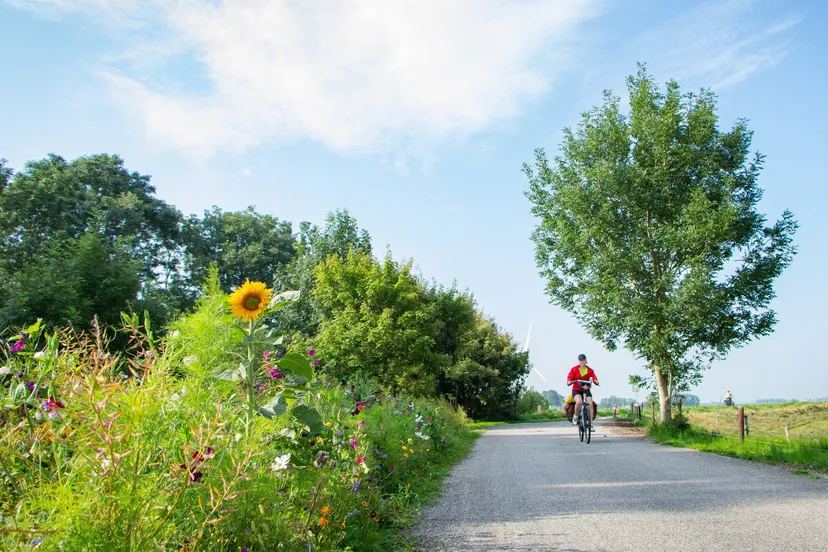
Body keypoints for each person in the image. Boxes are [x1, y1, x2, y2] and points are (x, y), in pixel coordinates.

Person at [566, 354, 599, 426]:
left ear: (586, 360)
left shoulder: (590, 370)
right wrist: (569, 382)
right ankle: (576, 416)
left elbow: (594, 377)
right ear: (578, 361)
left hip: (586, 390)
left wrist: (596, 381)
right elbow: (569, 378)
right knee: (579, 402)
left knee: (590, 404)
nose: (582, 361)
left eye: (583, 360)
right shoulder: (574, 369)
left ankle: (590, 424)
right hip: (576, 390)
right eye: (580, 360)